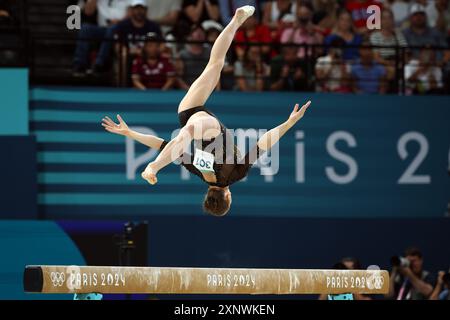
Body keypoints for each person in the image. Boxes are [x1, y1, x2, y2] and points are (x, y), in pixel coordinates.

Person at [102, 6, 312, 217]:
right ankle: (235, 21)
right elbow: (162, 144)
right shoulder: (198, 172)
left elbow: (263, 143)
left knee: (189, 131)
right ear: (208, 195)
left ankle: (154, 168)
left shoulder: (234, 175)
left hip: (208, 128)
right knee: (215, 65)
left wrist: (289, 123)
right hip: (187, 112)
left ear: (228, 197)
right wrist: (130, 134)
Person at [72, 0, 130, 75]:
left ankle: (99, 63)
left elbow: (131, 15)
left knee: (111, 29)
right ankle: (80, 64)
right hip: (102, 29)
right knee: (85, 28)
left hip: (121, 29)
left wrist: (118, 22)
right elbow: (88, 12)